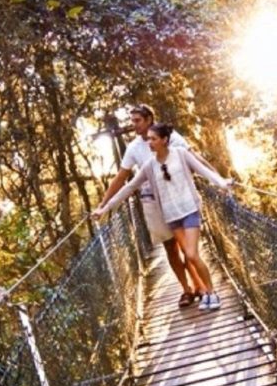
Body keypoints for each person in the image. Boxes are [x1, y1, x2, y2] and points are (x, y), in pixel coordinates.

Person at [94, 123, 232, 310]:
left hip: (189, 210)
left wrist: (222, 183)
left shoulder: (181, 154)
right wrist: (105, 208)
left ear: (164, 140)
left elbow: (203, 171)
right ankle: (207, 294)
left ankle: (211, 292)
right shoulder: (149, 166)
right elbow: (129, 187)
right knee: (190, 256)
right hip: (171, 217)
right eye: (148, 139)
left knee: (191, 254)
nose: (149, 142)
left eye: (153, 139)